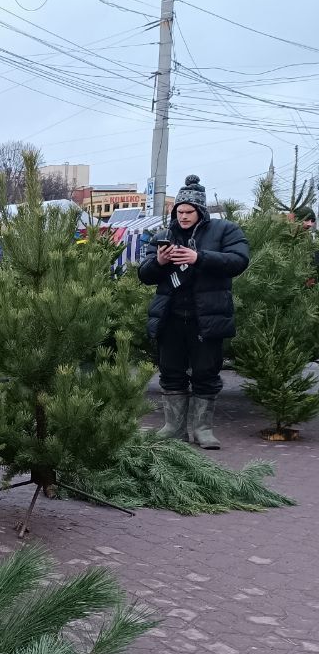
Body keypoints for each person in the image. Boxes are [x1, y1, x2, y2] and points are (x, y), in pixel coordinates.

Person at [137, 175, 250, 449]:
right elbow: (144, 274)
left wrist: (199, 257)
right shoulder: (163, 235)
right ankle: (173, 428)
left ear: (200, 210)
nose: (184, 216)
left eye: (189, 211)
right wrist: (159, 262)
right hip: (171, 317)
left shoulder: (225, 230)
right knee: (171, 372)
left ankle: (203, 429)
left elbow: (239, 261)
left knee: (206, 373)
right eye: (179, 211)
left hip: (207, 318)